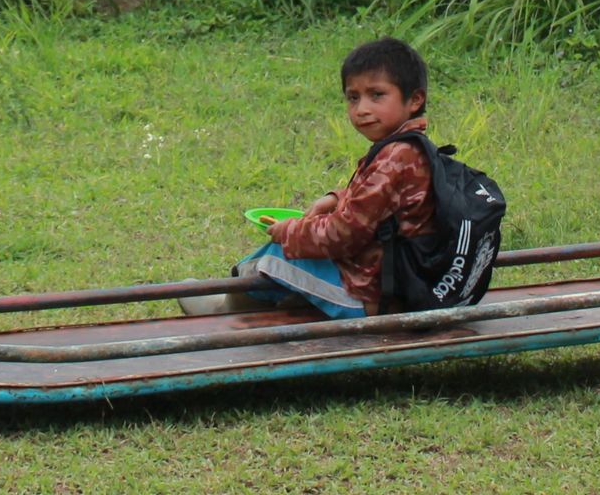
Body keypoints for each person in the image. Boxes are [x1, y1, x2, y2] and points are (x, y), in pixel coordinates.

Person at [180, 37, 436, 319]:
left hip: (374, 298)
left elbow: (343, 235)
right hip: (397, 282)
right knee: (298, 253)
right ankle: (278, 304)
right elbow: (380, 204)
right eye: (353, 97)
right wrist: (334, 199)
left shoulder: (394, 158)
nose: (362, 109)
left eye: (376, 95)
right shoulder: (411, 149)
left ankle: (227, 313)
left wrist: (289, 231)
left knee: (275, 258)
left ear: (415, 100)